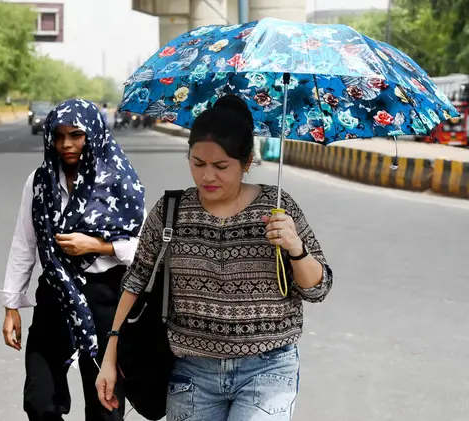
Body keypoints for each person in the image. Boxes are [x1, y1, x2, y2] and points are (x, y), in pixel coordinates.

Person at [96, 95, 334, 421]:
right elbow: (135, 283)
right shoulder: (170, 212)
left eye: (221, 167)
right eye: (198, 163)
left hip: (267, 368)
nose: (208, 176)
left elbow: (317, 289)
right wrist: (110, 356)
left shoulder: (278, 209)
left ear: (247, 162)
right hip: (192, 372)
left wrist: (295, 247)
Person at [0, 99, 146, 421]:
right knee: (39, 402)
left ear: (94, 134)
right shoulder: (39, 182)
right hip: (55, 294)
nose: (66, 144)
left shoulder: (120, 183)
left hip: (106, 300)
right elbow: (25, 243)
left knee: (105, 409)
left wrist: (97, 246)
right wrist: (11, 307)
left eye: (76, 135)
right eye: (58, 135)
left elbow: (142, 249)